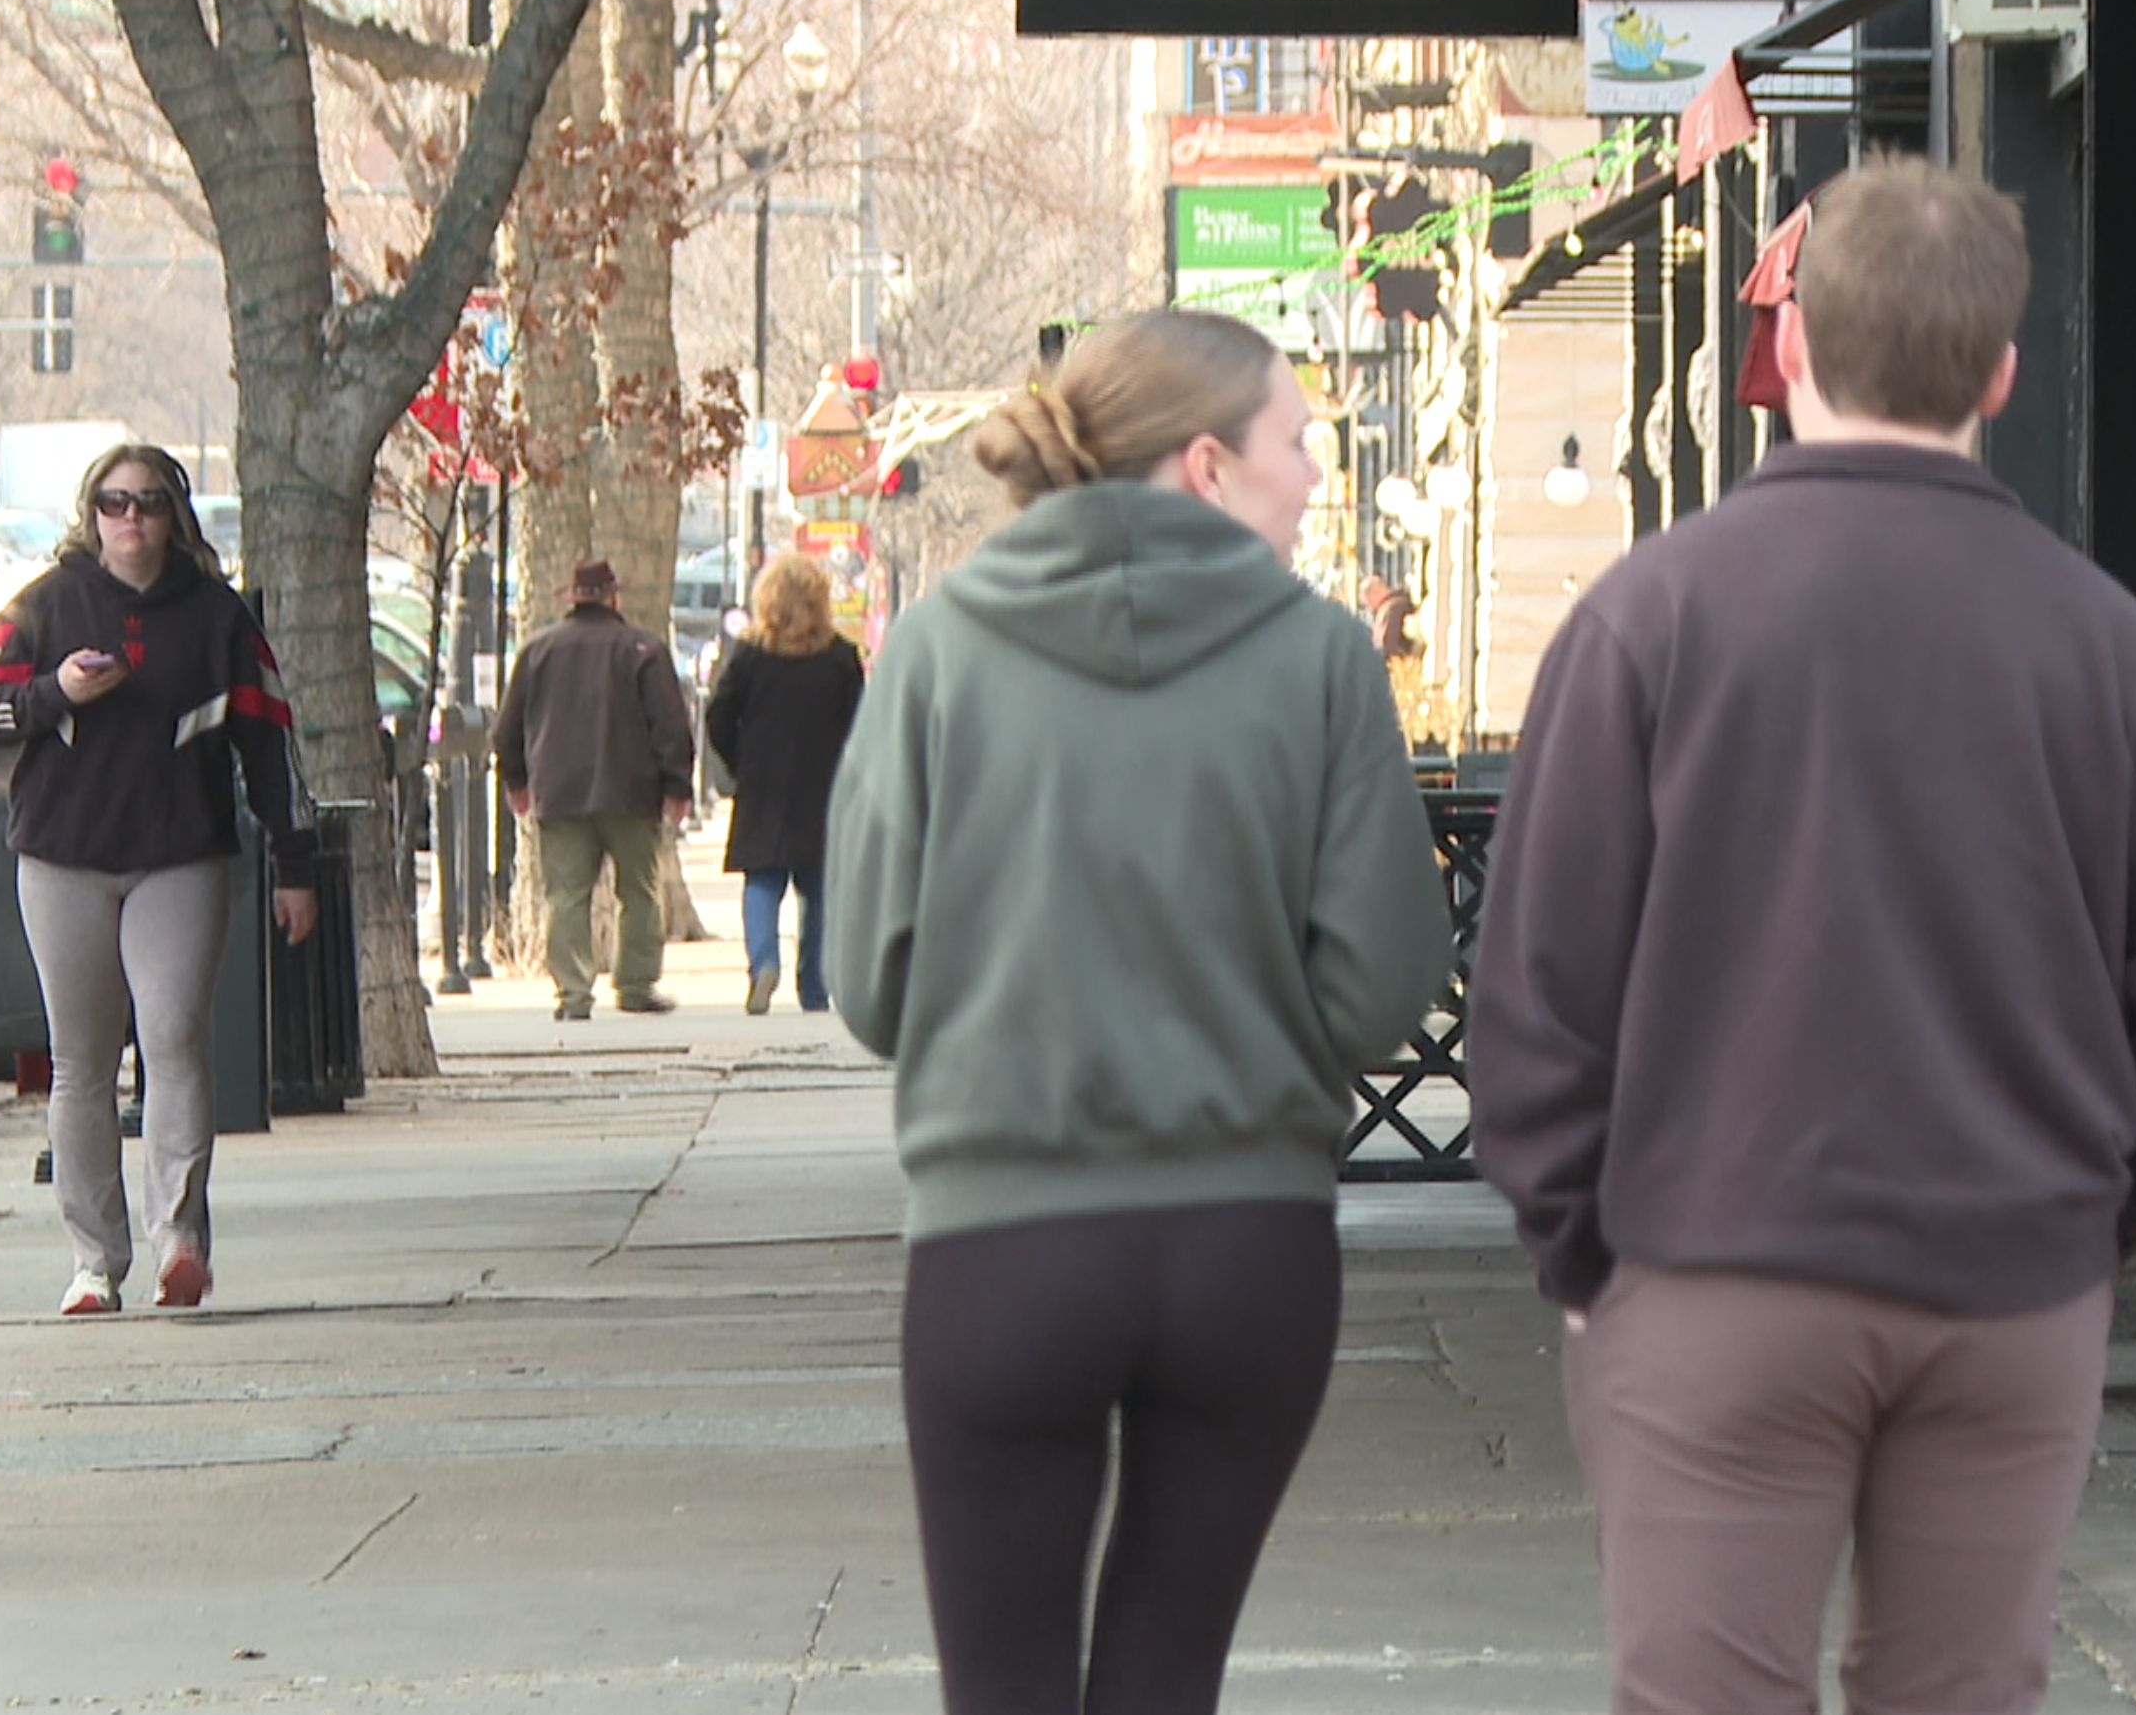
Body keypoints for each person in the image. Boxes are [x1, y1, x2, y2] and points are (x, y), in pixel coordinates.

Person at [1465, 156, 2136, 1715]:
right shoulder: (2110, 648)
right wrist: (2106, 1227)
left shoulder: (1647, 621)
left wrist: (1582, 1243)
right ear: (2000, 370)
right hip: (2011, 1275)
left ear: (1790, 349)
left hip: (1712, 1265)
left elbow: (1538, 990)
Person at [827, 308, 1454, 1715]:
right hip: (1247, 1249)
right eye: (1297, 442)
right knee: (1170, 1673)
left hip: (1000, 1247)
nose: (1314, 475)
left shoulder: (934, 654)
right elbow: (1384, 986)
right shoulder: (1324, 662)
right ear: (1206, 465)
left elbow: (866, 979)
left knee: (1003, 1684)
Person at [0, 445, 318, 1319]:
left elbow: (272, 744)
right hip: (63, 857)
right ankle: (92, 1261)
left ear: (174, 515)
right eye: (114, 504)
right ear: (92, 514)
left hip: (180, 856)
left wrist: (295, 864)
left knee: (173, 1037)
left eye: (149, 504)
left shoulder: (217, 618)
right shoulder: (49, 602)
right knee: (79, 1062)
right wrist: (56, 693)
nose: (131, 521)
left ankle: (179, 1242)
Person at [493, 559, 695, 1019]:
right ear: (614, 599)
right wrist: (676, 785)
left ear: (575, 598)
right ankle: (637, 984)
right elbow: (669, 725)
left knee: (566, 896)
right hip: (630, 791)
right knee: (640, 892)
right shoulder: (643, 649)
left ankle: (573, 993)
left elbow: (506, 728)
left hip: (560, 791)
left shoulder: (538, 650)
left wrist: (517, 780)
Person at [702, 556, 864, 1016]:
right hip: (824, 787)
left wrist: (738, 759)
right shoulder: (839, 657)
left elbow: (718, 714)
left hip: (763, 784)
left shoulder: (751, 656)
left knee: (762, 880)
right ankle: (814, 985)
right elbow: (861, 723)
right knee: (818, 890)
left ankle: (764, 962)